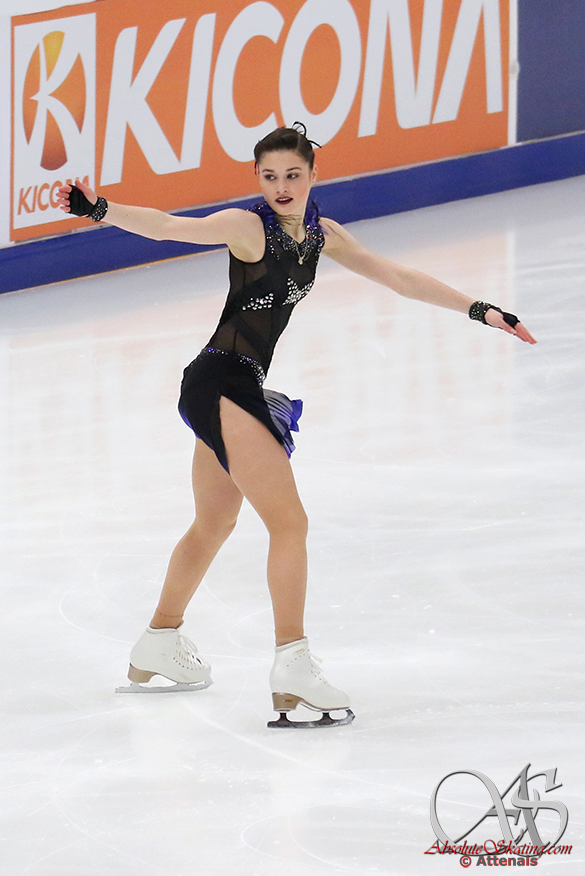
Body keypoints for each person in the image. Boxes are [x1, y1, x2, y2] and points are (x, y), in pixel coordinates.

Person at [58, 124, 536, 728]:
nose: (281, 186)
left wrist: (480, 309)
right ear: (257, 179)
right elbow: (172, 226)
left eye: (292, 174)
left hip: (233, 384)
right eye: (269, 176)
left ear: (313, 174)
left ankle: (159, 641)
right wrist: (101, 210)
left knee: (214, 523)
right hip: (220, 380)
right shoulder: (247, 227)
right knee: (290, 522)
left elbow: (399, 278)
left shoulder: (321, 236)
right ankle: (292, 664)